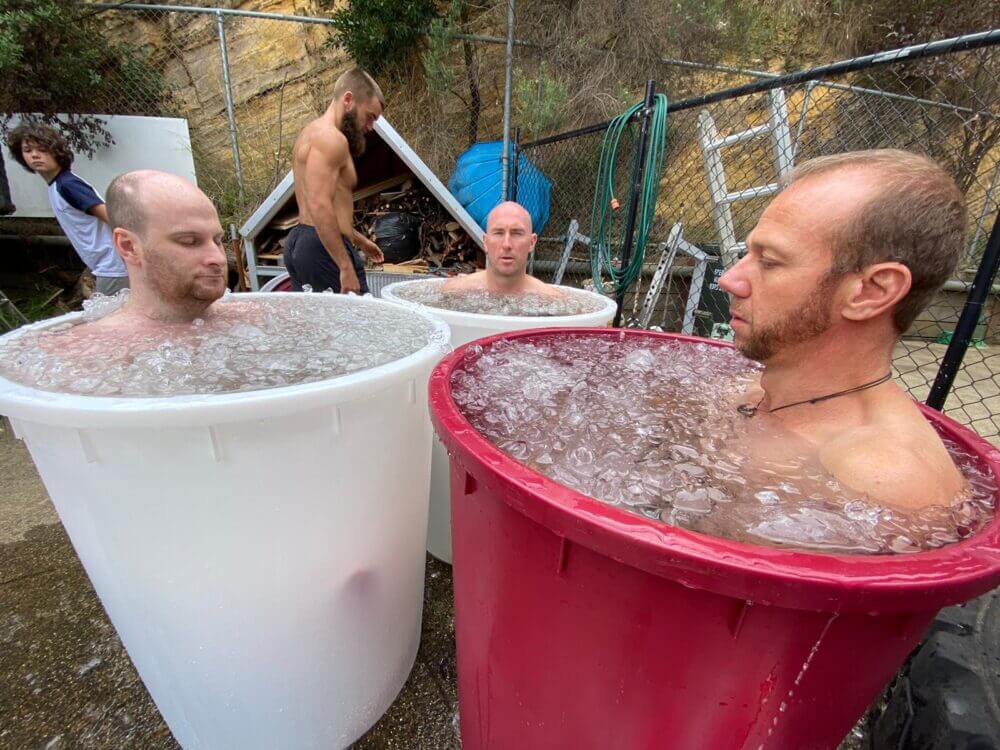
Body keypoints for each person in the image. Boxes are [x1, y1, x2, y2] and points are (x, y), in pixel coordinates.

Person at [719, 148, 967, 511]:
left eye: (769, 261)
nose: (730, 280)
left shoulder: (879, 481)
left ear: (871, 291)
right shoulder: (752, 392)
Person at [285, 67, 386, 295]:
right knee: (356, 324)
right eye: (369, 117)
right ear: (348, 100)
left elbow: (326, 211)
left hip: (300, 240)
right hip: (321, 248)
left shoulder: (309, 133)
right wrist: (344, 265)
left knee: (320, 327)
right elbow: (319, 205)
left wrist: (361, 241)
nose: (370, 127)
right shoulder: (332, 139)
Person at [7, 123, 129, 296]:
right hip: (108, 265)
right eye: (27, 150)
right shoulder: (56, 185)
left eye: (42, 149)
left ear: (57, 151)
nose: (35, 155)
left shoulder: (68, 185)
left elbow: (112, 217)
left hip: (113, 266)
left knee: (110, 318)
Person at [95, 170, 228, 328]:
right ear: (129, 246)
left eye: (217, 240)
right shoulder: (90, 349)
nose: (219, 258)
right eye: (190, 241)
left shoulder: (256, 315)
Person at [442, 201, 561, 296]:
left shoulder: (550, 299)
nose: (506, 244)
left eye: (516, 233)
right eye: (498, 233)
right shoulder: (453, 293)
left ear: (531, 242)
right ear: (486, 242)